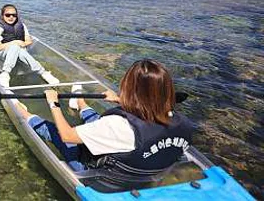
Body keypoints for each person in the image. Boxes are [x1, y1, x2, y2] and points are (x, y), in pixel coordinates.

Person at [14, 59, 194, 175]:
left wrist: (53, 103)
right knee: (98, 123)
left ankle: (21, 110)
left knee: (54, 130)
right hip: (145, 171)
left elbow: (67, 135)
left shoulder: (117, 125)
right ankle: (80, 103)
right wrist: (119, 100)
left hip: (104, 176)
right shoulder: (179, 120)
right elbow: (146, 116)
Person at [0, 4, 60, 87]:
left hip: (20, 51)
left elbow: (29, 41)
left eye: (14, 15)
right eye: (8, 15)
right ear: (2, 16)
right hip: (3, 53)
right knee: (15, 46)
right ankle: (6, 74)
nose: (11, 17)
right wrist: (16, 42)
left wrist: (23, 43)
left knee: (18, 49)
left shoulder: (22, 26)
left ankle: (44, 74)